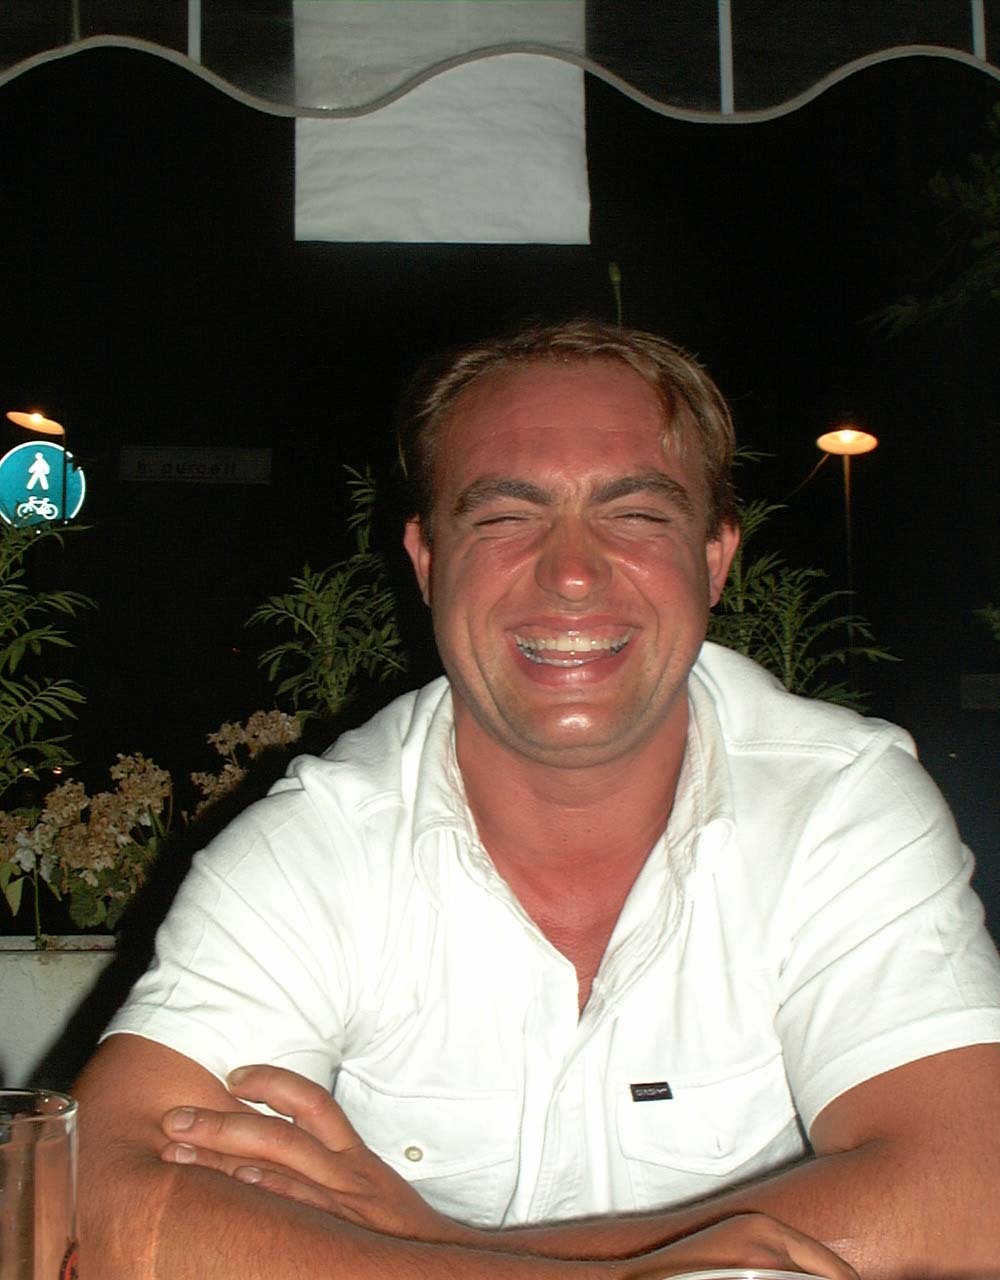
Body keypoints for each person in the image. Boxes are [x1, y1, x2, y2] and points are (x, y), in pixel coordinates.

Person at [74, 319, 1000, 1280]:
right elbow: (92, 1194)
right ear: (427, 561)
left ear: (716, 557)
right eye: (504, 518)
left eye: (636, 515)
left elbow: (970, 1197)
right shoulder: (320, 844)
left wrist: (436, 1249)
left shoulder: (837, 805)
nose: (571, 572)